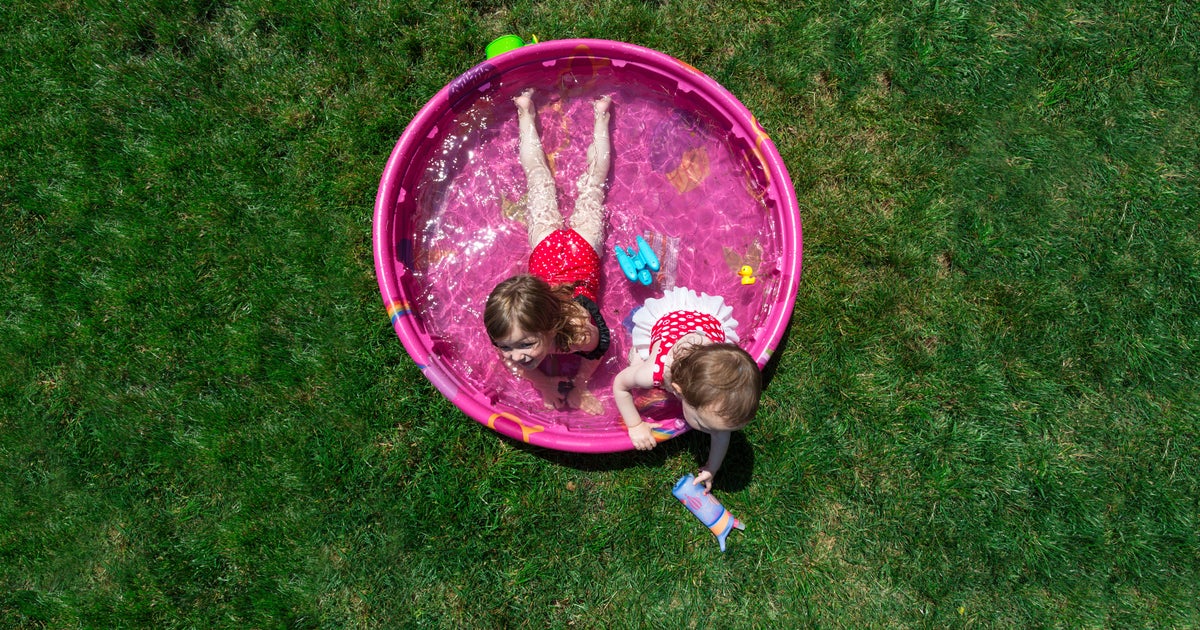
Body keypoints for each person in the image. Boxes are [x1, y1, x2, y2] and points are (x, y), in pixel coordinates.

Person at [484, 89, 613, 414]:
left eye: (525, 344)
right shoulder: (510, 328)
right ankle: (525, 110)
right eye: (506, 346)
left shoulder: (578, 333)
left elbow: (599, 347)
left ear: (552, 327)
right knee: (541, 181)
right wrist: (541, 382)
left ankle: (602, 116)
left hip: (580, 248)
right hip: (548, 251)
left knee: (592, 184)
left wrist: (580, 384)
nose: (516, 356)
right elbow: (509, 352)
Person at [613, 287, 761, 491]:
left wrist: (711, 468)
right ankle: (639, 355)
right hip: (667, 320)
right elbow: (619, 385)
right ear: (678, 390)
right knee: (635, 362)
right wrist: (635, 425)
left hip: (703, 327)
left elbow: (721, 434)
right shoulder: (653, 372)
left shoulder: (717, 401)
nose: (712, 433)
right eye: (704, 425)